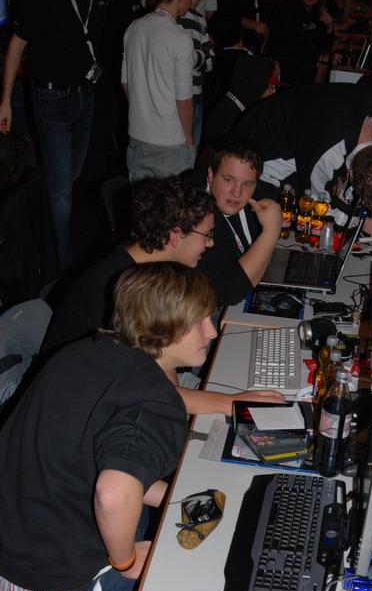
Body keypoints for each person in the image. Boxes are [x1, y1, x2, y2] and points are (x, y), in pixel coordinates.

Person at [0, 262, 217, 591]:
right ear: (165, 328)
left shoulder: (83, 353)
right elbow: (114, 494)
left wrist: (174, 497)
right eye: (199, 321)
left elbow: (84, 461)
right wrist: (126, 561)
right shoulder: (155, 402)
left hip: (15, 562)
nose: (211, 331)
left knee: (202, 516)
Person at [41, 175, 283, 413]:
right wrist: (230, 403)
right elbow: (142, 389)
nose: (210, 244)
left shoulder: (146, 264)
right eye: (208, 235)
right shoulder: (121, 289)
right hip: (82, 404)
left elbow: (159, 371)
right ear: (176, 235)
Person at [0, 0, 108, 270]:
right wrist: (5, 100)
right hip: (52, 98)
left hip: (86, 96)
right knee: (61, 192)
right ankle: (62, 265)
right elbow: (17, 44)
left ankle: (43, 234)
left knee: (68, 180)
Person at [234, 71, 372, 214]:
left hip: (300, 118)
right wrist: (368, 225)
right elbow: (320, 203)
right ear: (350, 173)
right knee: (272, 214)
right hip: (259, 143)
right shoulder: (326, 155)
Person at [122, 0, 196, 181]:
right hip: (169, 143)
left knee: (141, 200)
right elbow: (184, 100)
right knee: (172, 200)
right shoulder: (180, 38)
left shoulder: (134, 28)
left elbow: (126, 83)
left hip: (137, 136)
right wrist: (189, 139)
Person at [194, 139, 283, 308]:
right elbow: (226, 292)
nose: (237, 192)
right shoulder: (194, 212)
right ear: (211, 175)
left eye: (247, 184)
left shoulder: (261, 196)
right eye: (228, 180)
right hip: (203, 308)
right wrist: (271, 231)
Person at [267, 0, 335, 87]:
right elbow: (289, 44)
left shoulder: (317, 13)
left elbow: (325, 46)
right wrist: (318, 56)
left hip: (302, 64)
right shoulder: (286, 9)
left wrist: (329, 27)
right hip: (282, 63)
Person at [179, 0, 215, 147]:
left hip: (196, 96)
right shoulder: (177, 15)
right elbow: (183, 59)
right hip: (180, 98)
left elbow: (210, 63)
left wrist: (200, 54)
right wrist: (203, 52)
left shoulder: (199, 18)